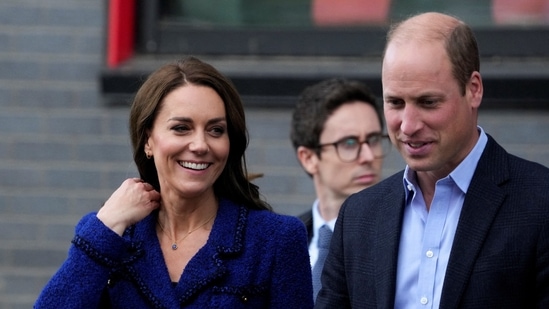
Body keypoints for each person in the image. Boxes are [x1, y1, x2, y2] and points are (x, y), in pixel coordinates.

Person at [35, 57, 313, 308]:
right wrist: (106, 226)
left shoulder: (276, 239)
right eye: (181, 128)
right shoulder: (110, 235)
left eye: (216, 130)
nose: (201, 145)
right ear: (148, 140)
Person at [316, 12, 549, 308]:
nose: (408, 125)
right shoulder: (359, 217)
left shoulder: (539, 204)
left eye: (428, 102)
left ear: (473, 89)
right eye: (395, 103)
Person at [290, 78, 389, 302]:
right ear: (308, 158)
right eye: (349, 143)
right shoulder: (284, 242)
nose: (369, 156)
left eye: (373, 139)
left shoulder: (401, 236)